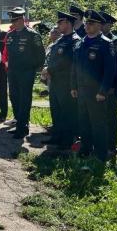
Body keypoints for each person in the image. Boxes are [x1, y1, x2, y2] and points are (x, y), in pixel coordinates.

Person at [71, 10, 116, 162]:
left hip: (96, 92)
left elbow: (110, 71)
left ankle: (101, 153)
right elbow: (75, 67)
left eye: (91, 23)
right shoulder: (80, 43)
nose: (87, 26)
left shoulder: (105, 44)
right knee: (83, 121)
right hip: (82, 90)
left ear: (99, 25)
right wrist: (73, 87)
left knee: (98, 123)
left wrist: (103, 91)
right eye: (86, 23)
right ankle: (86, 149)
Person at [4, 7, 45, 139]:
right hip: (13, 71)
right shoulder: (10, 35)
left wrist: (35, 68)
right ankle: (19, 123)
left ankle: (23, 127)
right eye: (12, 21)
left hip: (26, 72)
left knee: (24, 99)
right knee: (14, 97)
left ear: (22, 19)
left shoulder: (33, 35)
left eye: (15, 20)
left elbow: (40, 54)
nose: (13, 23)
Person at [42, 11, 80, 149]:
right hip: (55, 81)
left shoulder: (75, 40)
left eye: (60, 22)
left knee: (67, 112)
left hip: (66, 82)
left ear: (68, 23)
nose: (57, 25)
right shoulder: (61, 39)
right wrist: (47, 70)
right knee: (56, 110)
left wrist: (50, 70)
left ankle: (67, 141)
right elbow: (52, 58)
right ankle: (57, 137)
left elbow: (68, 61)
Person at [100, 11, 117, 153]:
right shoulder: (96, 40)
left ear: (110, 25)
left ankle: (111, 144)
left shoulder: (116, 42)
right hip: (97, 86)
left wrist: (113, 86)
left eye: (104, 24)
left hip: (111, 87)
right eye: (100, 23)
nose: (102, 26)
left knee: (111, 115)